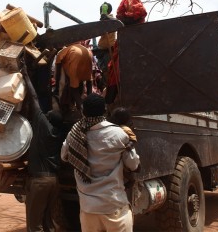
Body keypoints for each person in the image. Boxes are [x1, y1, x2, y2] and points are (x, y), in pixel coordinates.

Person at [61, 93, 140, 232]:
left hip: (88, 209)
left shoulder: (74, 133)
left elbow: (64, 156)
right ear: (105, 111)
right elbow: (133, 164)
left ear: (83, 112)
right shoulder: (119, 134)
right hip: (114, 206)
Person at [21, 65, 66, 232]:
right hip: (53, 181)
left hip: (39, 182)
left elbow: (33, 97)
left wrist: (25, 74)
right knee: (48, 222)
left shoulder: (42, 125)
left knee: (35, 225)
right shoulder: (58, 134)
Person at [105, 0, 147, 108]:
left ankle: (110, 103)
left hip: (130, 41)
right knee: (114, 72)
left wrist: (114, 20)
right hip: (126, 41)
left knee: (117, 73)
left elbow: (140, 12)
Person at [54, 42, 93, 114]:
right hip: (88, 54)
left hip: (75, 57)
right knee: (87, 81)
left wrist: (56, 87)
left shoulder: (61, 52)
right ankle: (91, 104)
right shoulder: (86, 49)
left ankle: (83, 110)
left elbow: (58, 73)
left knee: (73, 87)